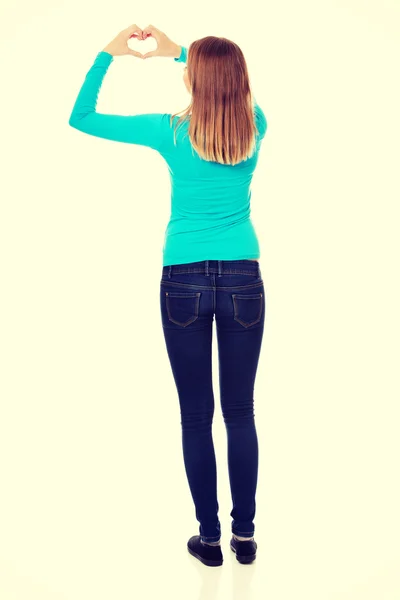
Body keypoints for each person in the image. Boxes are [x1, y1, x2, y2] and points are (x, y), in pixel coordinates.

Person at [68, 24, 267, 567]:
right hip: (243, 279)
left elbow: (80, 117)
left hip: (183, 280)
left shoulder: (170, 130)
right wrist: (182, 51)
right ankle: (244, 536)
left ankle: (208, 538)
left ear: (194, 81)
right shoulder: (255, 127)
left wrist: (111, 54)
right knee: (241, 413)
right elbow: (231, 89)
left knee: (196, 416)